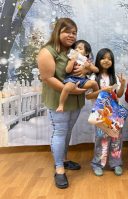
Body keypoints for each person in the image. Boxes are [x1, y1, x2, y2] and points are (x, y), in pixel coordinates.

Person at [37, 18, 89, 189]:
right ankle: (59, 169)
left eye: (74, 32)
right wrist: (72, 90)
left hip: (76, 100)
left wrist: (85, 69)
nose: (71, 35)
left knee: (67, 132)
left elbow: (85, 66)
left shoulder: (74, 51)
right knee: (60, 131)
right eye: (67, 31)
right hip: (58, 100)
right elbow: (47, 78)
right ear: (58, 31)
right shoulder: (47, 51)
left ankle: (64, 160)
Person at [86, 48, 126, 176]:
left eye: (109, 58)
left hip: (115, 115)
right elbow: (88, 96)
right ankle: (97, 164)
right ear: (98, 60)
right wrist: (103, 91)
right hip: (100, 115)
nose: (106, 61)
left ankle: (116, 163)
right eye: (103, 58)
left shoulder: (114, 78)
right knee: (101, 139)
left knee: (116, 139)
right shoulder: (93, 77)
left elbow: (119, 94)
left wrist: (123, 84)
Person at [56, 40, 99, 112]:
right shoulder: (71, 59)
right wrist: (72, 61)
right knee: (67, 87)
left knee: (94, 83)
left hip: (83, 80)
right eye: (75, 48)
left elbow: (96, 70)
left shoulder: (87, 61)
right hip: (72, 79)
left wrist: (89, 67)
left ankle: (97, 99)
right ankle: (61, 105)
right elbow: (67, 70)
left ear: (86, 53)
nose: (77, 49)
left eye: (80, 48)